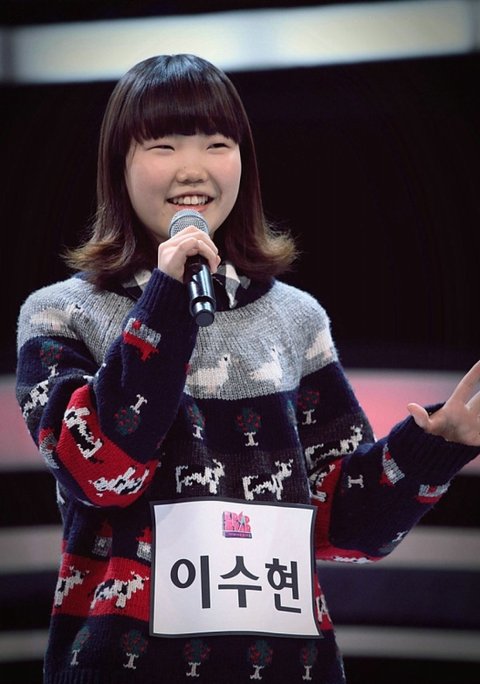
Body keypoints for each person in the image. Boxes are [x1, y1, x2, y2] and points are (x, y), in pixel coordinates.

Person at [15, 53, 480, 684]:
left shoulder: (295, 318)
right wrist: (166, 302)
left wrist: (431, 451)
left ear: (244, 163)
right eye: (163, 145)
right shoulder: (60, 314)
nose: (193, 168)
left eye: (217, 144)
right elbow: (103, 475)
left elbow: (340, 527)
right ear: (117, 166)